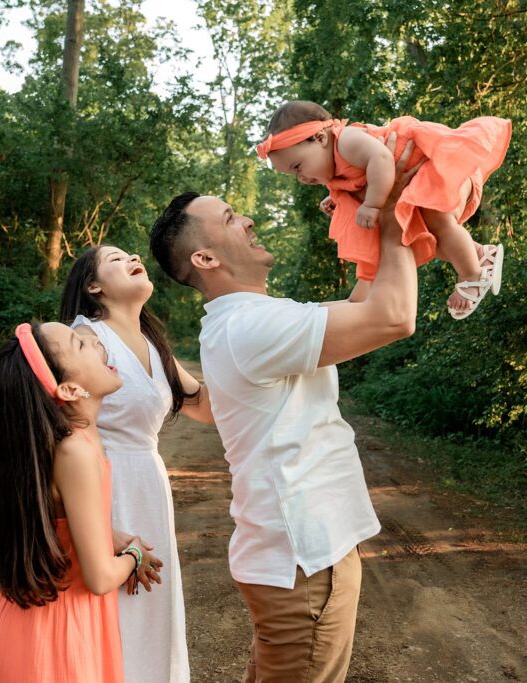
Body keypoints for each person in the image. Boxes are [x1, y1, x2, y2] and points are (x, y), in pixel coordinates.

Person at [149, 134, 420, 682]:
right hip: (305, 562)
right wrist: (395, 214)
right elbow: (395, 316)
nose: (246, 219)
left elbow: (362, 305)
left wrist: (359, 211)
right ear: (205, 258)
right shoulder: (252, 326)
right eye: (229, 218)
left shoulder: (252, 318)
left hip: (299, 556)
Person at [60, 245, 214, 683]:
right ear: (94, 286)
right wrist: (102, 529)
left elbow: (205, 407)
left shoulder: (153, 343)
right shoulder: (86, 339)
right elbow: (59, 427)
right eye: (115, 259)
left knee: (150, 612)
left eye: (132, 254)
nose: (131, 258)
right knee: (113, 614)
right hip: (102, 487)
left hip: (148, 483)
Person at [0, 321, 163, 682]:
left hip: (31, 624)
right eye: (81, 345)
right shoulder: (75, 449)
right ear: (70, 388)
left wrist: (108, 536)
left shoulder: (73, 437)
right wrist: (136, 553)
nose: (96, 342)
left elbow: (56, 517)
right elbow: (99, 577)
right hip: (60, 636)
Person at [257, 99, 511, 319]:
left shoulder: (346, 140)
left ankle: (470, 274)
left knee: (440, 225)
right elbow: (356, 180)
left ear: (321, 138)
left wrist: (372, 204)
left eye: (298, 166)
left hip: (431, 169)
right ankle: (480, 253)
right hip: (414, 188)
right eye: (293, 174)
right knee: (429, 241)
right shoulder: (335, 164)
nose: (300, 177)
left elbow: (380, 159)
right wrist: (337, 198)